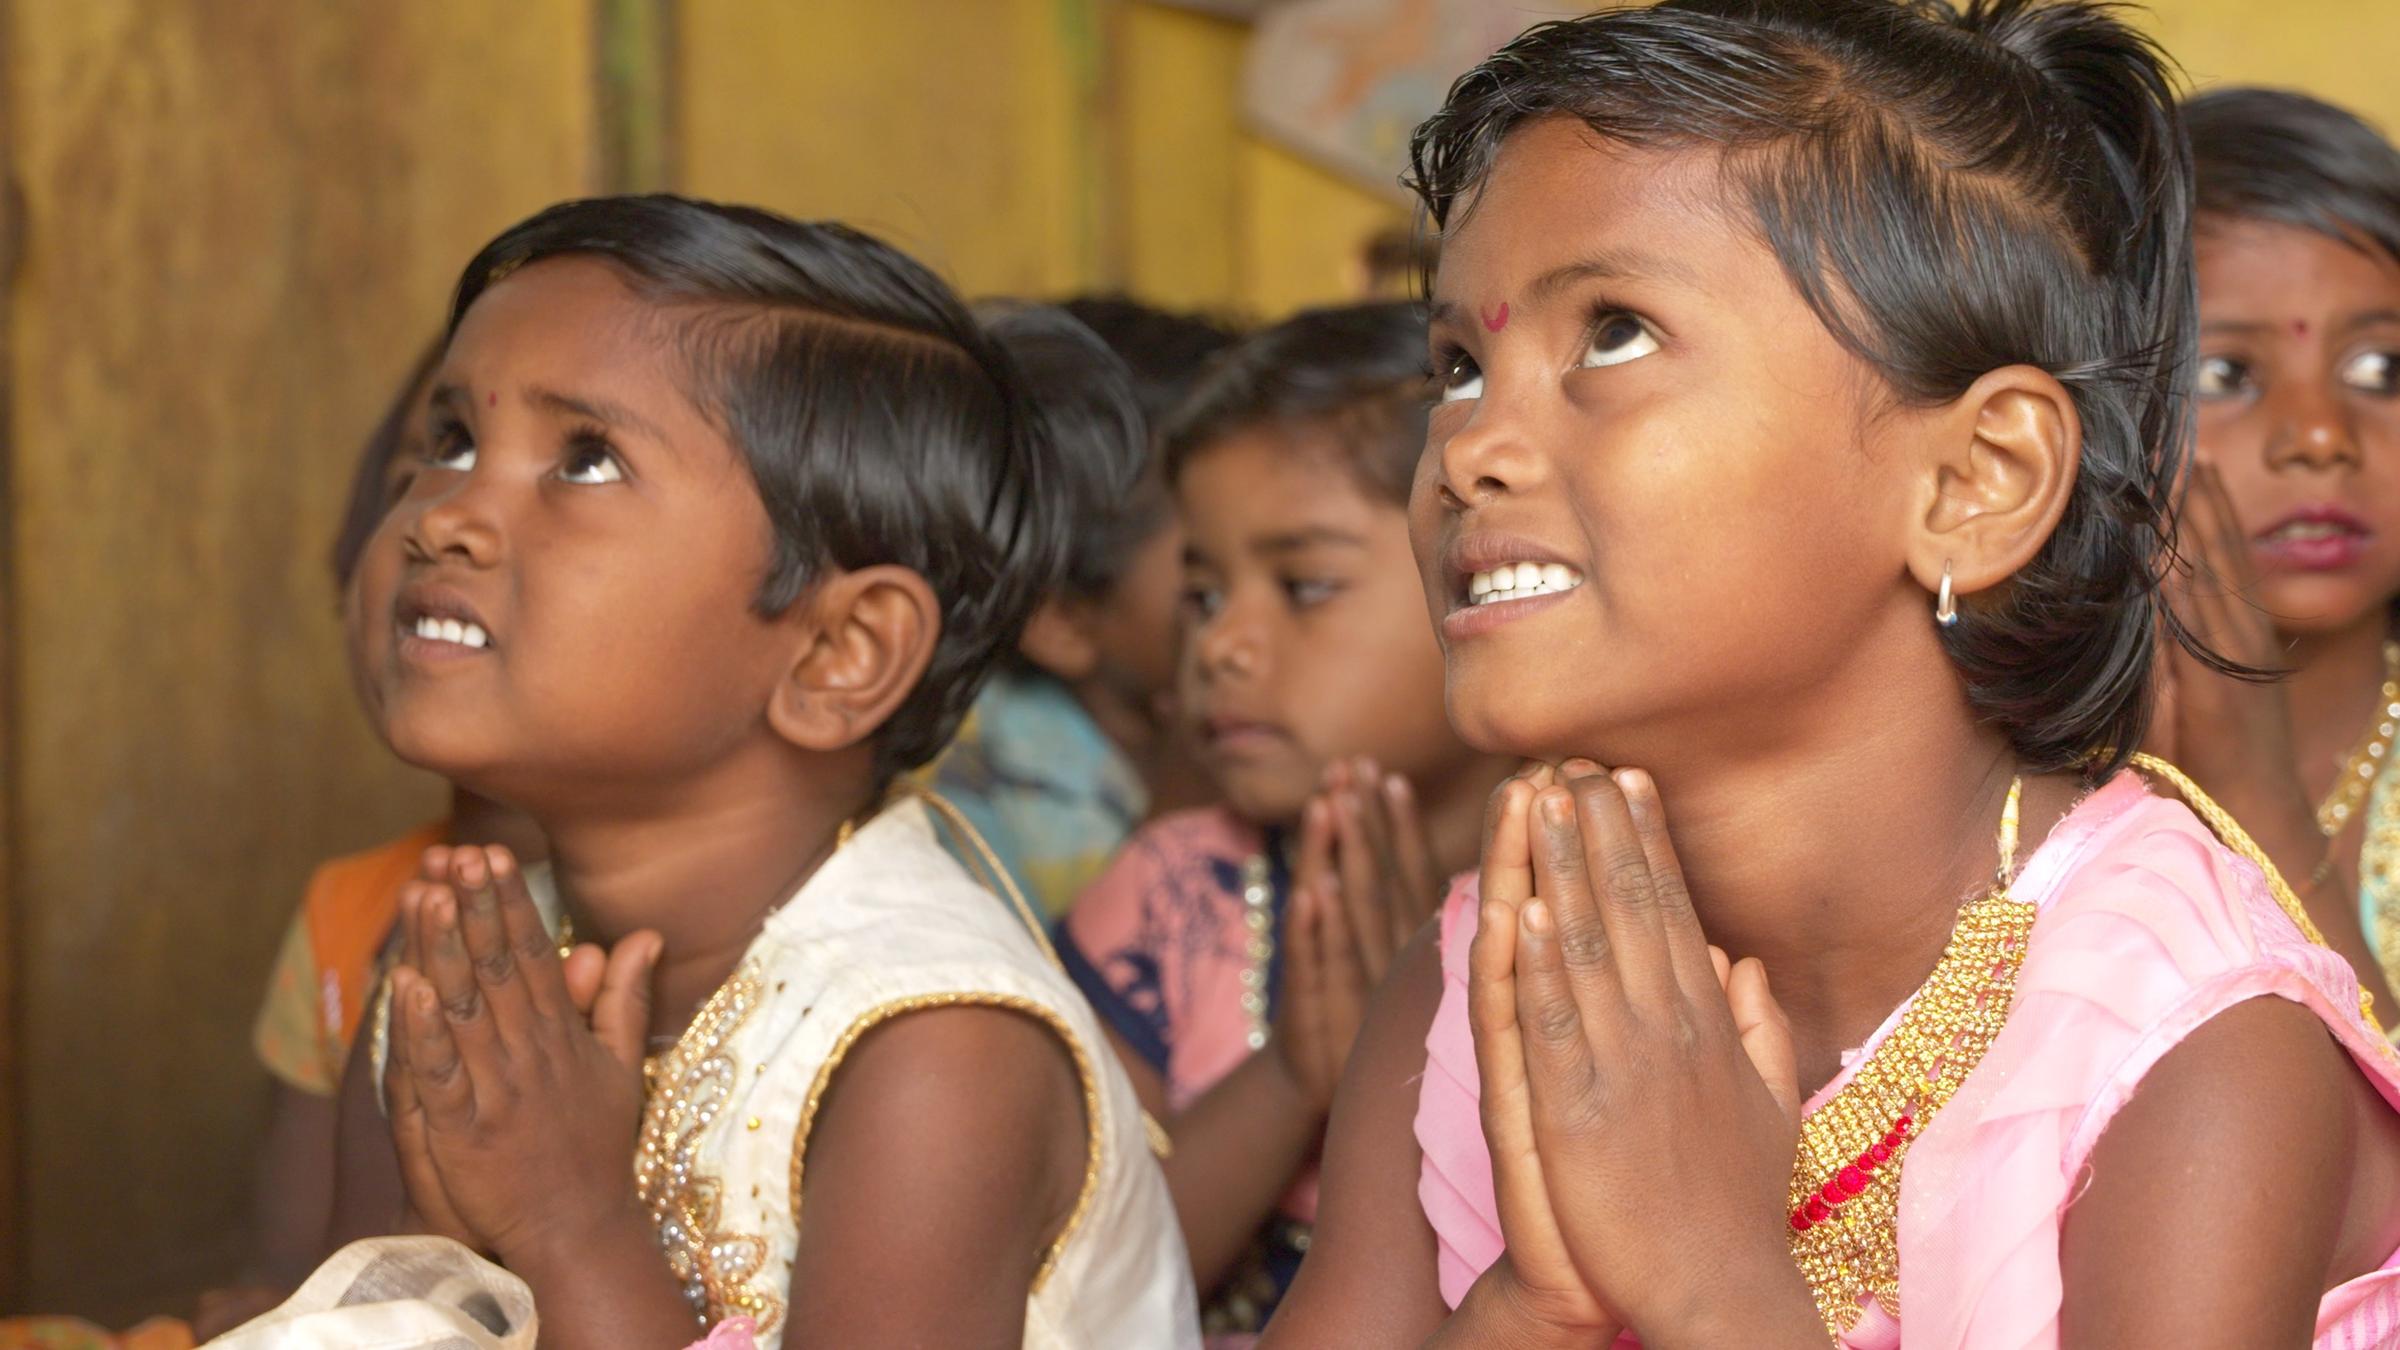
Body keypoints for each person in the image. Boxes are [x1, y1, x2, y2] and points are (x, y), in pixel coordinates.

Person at [1261, 3, 2400, 1347]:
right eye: (1458, 365)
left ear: (1979, 481)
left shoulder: (2195, 1043)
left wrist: (1708, 1281)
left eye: (1615, 333)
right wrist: (1538, 1301)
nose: (1468, 451)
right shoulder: (1495, 967)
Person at [336, 195, 1196, 1349]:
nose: (448, 519)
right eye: (451, 441)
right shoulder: (455, 982)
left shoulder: (933, 1056)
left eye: (586, 460)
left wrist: (563, 1219)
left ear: (840, 653)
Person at [1059, 303, 1512, 1341]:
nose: (1225, 646)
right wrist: (1298, 1080)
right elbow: (1081, 1285)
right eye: (1205, 595)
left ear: (1484, 570)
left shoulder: (1600, 890)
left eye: (1303, 585)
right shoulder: (1171, 899)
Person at [2157, 86, 2400, 1016]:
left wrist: (2252, 793)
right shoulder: (2012, 764)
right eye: (2227, 375)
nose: (2318, 436)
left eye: (2382, 368)